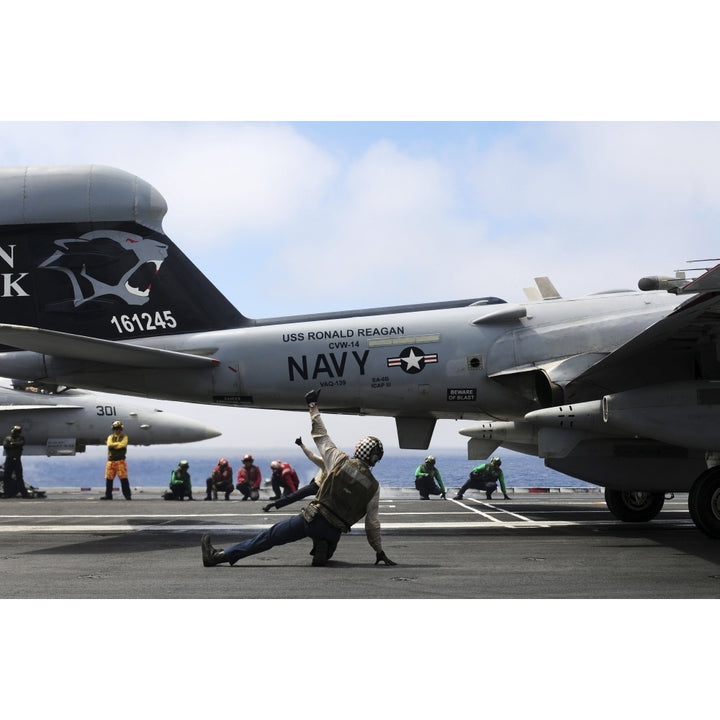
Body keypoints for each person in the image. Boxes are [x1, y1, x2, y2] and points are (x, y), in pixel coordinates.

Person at [202, 389, 396, 568]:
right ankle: (324, 547)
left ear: (359, 449)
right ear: (374, 459)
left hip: (313, 518)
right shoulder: (373, 487)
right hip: (334, 531)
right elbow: (372, 524)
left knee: (269, 537)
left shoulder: (340, 461)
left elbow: (321, 436)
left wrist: (312, 406)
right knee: (327, 552)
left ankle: (219, 557)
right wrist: (379, 551)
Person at [263, 436, 326, 512]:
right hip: (317, 484)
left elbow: (291, 483)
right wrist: (302, 445)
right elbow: (312, 455)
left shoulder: (285, 471)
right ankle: (274, 503)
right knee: (296, 495)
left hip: (326, 488)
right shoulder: (326, 462)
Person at [101, 420, 131, 500]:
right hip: (111, 461)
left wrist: (114, 446)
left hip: (120, 461)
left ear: (121, 429)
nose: (117, 430)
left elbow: (123, 445)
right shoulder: (110, 437)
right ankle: (108, 495)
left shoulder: (124, 437)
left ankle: (127, 495)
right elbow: (110, 445)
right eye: (115, 429)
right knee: (109, 479)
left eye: (118, 429)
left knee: (124, 479)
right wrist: (117, 445)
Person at [2, 425, 29, 498]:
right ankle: (7, 493)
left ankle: (24, 494)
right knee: (6, 477)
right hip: (9, 459)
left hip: (16, 459)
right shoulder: (8, 438)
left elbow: (21, 444)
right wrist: (15, 445)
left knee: (19, 477)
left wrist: (12, 444)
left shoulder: (21, 438)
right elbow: (5, 445)